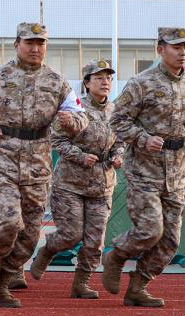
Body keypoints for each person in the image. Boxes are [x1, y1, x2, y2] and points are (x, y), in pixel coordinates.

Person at [0, 23, 88, 308]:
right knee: (8, 221)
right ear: (16, 44)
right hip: (2, 161)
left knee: (30, 236)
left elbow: (80, 116)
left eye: (41, 43)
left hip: (37, 164)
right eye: (30, 42)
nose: (35, 48)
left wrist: (72, 123)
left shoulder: (57, 82)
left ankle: (5, 280)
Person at [102, 27, 185, 307]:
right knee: (150, 229)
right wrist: (142, 138)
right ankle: (116, 255)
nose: (183, 52)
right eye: (176, 47)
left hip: (176, 172)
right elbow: (118, 121)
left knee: (170, 241)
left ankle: (137, 288)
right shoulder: (141, 83)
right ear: (160, 49)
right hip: (144, 170)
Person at [29, 59, 124, 299]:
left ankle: (81, 283)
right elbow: (56, 140)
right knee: (71, 235)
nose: (105, 82)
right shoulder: (75, 109)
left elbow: (121, 141)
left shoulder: (116, 111)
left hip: (102, 185)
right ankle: (48, 249)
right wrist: (80, 156)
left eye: (109, 78)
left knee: (94, 242)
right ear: (86, 83)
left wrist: (117, 155)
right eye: (99, 78)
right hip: (70, 184)